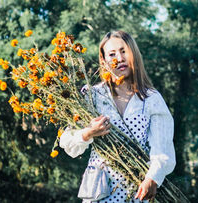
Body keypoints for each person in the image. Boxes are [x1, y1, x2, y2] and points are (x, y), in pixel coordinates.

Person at [60, 31, 176, 202]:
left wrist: (152, 178)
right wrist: (88, 133)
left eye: (123, 51)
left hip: (136, 191)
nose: (119, 58)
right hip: (99, 192)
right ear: (104, 61)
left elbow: (162, 149)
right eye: (112, 54)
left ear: (134, 54)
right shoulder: (92, 96)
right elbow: (67, 141)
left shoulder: (151, 99)